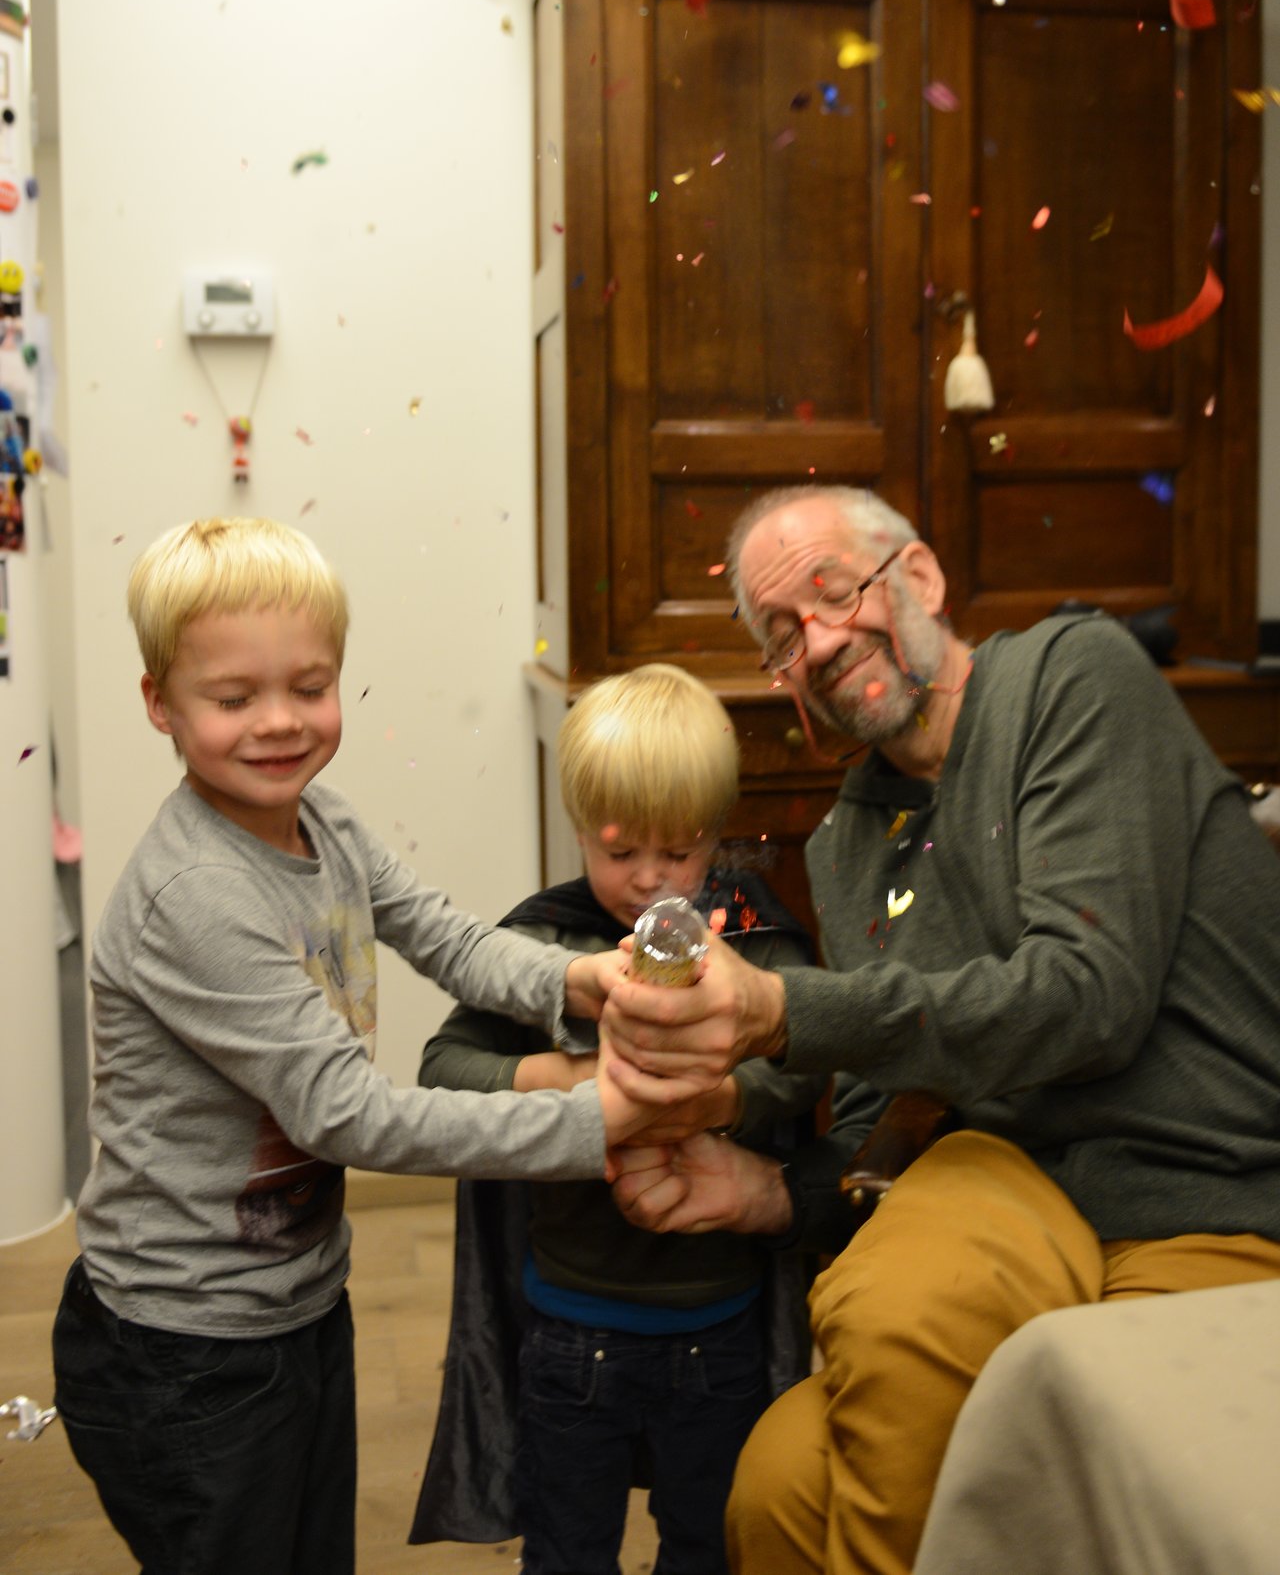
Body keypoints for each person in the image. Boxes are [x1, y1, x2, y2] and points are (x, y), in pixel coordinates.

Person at [601, 484, 1280, 1575]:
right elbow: (886, 1115)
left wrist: (780, 1011)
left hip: (1200, 1194)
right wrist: (767, 1191)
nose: (820, 641)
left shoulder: (1069, 677)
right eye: (784, 634)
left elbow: (1088, 997)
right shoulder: (846, 844)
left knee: (1088, 1450)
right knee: (773, 1482)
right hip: (1010, 1194)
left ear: (918, 576)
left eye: (833, 592)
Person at [50, 516, 684, 1575]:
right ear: (160, 702)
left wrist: (578, 979)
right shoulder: (196, 894)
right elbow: (350, 1116)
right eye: (233, 698)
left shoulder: (326, 822)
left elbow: (445, 936)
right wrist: (594, 1122)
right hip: (186, 1350)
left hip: (296, 1301)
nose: (279, 722)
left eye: (310, 686)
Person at [410, 663, 826, 1575]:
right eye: (619, 849)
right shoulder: (543, 945)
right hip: (571, 1326)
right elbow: (444, 1070)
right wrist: (582, 1082)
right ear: (577, 826)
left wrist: (718, 1094)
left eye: (677, 851)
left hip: (719, 1324)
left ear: (716, 832)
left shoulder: (754, 940)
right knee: (566, 1549)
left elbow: (807, 1070)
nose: (647, 879)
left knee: (711, 1547)